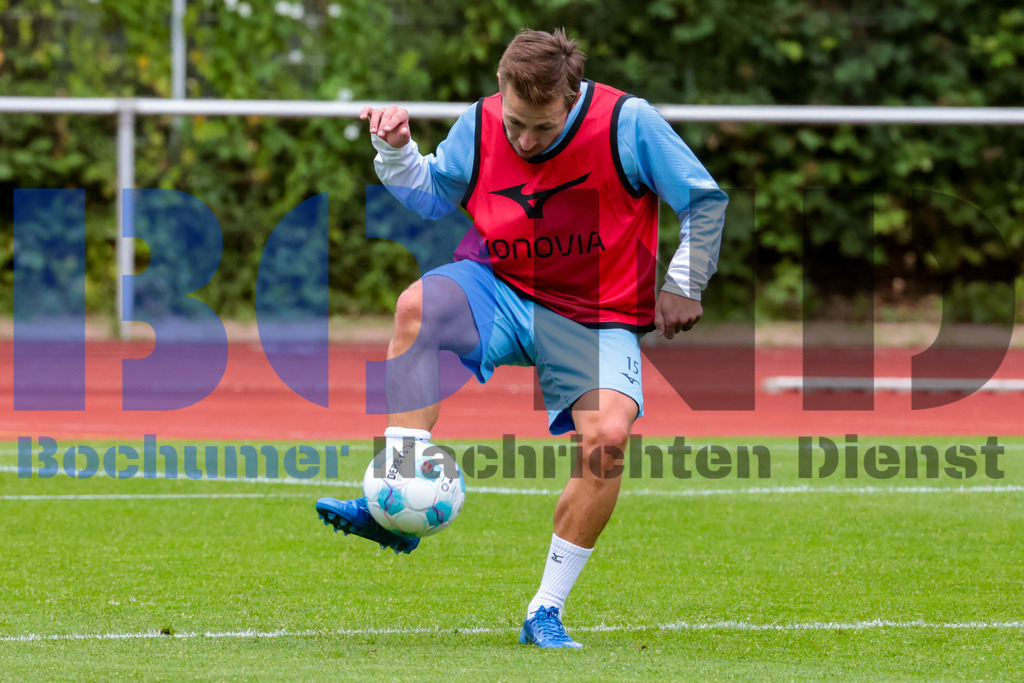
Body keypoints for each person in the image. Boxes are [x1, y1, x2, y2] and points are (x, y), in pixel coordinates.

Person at [316, 28, 727, 649]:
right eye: (516, 123)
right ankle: (394, 503)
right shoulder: (480, 123)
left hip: (596, 314)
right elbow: (429, 199)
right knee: (415, 307)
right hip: (502, 287)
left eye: (543, 126)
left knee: (608, 438)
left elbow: (702, 200)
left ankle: (545, 611)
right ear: (501, 91)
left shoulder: (627, 121)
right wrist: (397, 151)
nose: (526, 141)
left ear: (573, 97)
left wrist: (685, 280)